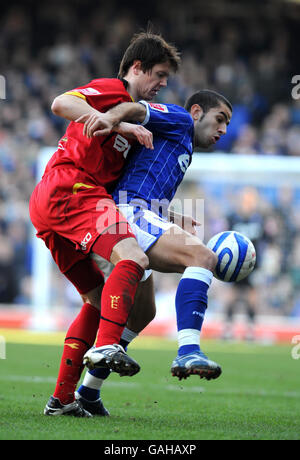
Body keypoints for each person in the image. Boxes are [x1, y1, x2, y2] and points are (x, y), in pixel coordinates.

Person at [29, 31, 181, 417]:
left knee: (98, 302)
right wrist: (118, 124)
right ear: (136, 68)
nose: (162, 85)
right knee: (133, 256)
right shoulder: (115, 92)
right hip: (72, 187)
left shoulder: (136, 118)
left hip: (55, 202)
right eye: (159, 75)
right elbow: (60, 102)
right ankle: (108, 346)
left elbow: (123, 193)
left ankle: (62, 399)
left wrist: (170, 214)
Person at [75, 89, 232, 415]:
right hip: (126, 214)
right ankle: (188, 350)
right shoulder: (178, 119)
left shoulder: (182, 146)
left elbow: (142, 182)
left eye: (228, 124)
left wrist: (171, 216)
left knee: (143, 312)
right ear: (197, 112)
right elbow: (138, 108)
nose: (224, 130)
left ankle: (88, 392)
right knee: (202, 257)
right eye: (220, 119)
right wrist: (110, 117)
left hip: (124, 216)